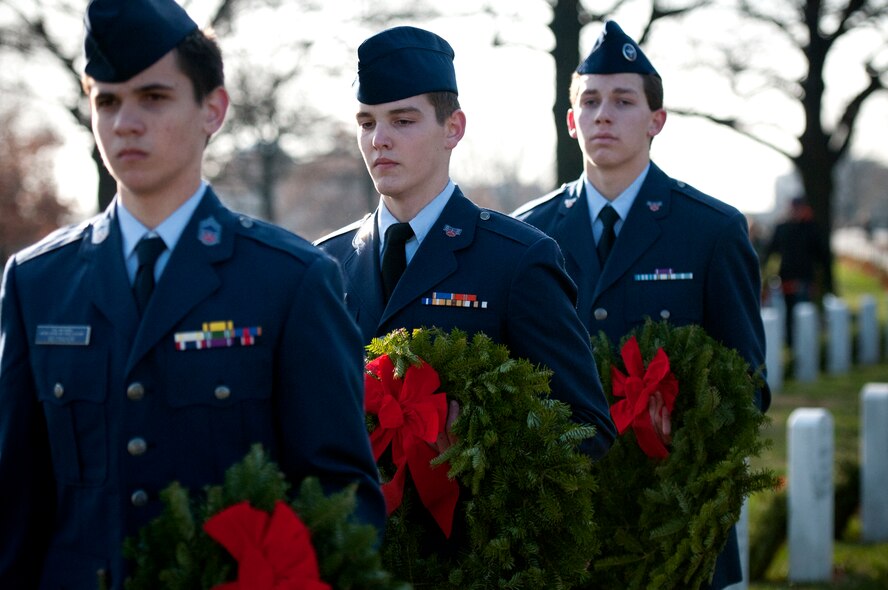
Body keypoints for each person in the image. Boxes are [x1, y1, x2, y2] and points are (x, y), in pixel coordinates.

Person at [0, 1, 384, 587]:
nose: (126, 122)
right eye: (107, 100)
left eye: (153, 98)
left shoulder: (289, 281)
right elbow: (17, 508)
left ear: (213, 109)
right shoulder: (37, 283)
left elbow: (345, 499)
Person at [513, 20, 770, 590]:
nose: (604, 114)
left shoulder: (711, 230)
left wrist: (690, 424)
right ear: (570, 120)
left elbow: (748, 381)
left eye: (624, 100)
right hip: (567, 523)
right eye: (591, 100)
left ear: (657, 121)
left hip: (673, 522)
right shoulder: (527, 238)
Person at [316, 27, 615, 456]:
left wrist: (483, 448)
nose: (379, 139)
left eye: (402, 121)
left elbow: (588, 428)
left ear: (452, 128)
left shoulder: (516, 259)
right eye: (367, 122)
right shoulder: (326, 263)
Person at [763, 195, 832, 345]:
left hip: (805, 279)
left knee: (804, 311)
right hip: (787, 278)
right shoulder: (782, 228)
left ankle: (804, 342)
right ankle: (791, 342)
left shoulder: (812, 228)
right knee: (788, 312)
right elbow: (770, 251)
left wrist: (826, 280)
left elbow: (822, 256)